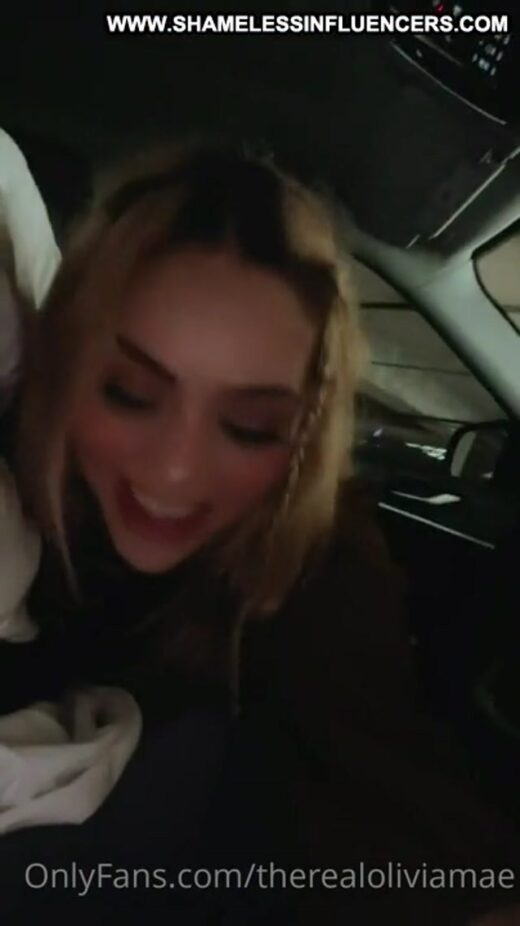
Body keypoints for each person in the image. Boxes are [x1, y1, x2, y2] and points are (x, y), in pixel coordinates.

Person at [0, 138, 519, 924]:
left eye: (249, 426)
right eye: (132, 393)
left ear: (306, 431)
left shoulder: (316, 565)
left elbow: (401, 821)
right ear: (65, 360)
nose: (175, 471)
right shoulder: (18, 486)